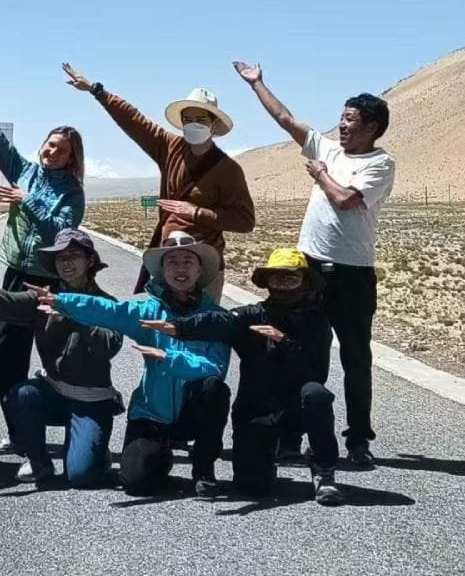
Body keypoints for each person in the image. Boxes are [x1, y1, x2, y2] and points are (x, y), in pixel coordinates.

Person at [234, 60, 395, 467]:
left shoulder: (380, 164)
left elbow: (345, 200)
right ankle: (293, 434)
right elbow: (286, 119)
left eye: (351, 121)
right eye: (340, 119)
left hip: (352, 273)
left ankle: (358, 439)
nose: (341, 126)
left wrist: (321, 174)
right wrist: (257, 84)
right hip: (308, 270)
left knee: (356, 358)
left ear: (372, 127)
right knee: (302, 353)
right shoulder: (325, 146)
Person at [0, 60, 86, 455]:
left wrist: (30, 201)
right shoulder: (22, 169)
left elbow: (60, 233)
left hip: (51, 285)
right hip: (15, 277)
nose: (51, 150)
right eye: (50, 143)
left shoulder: (73, 192)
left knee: (58, 361)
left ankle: (79, 427)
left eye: (61, 149)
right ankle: (20, 431)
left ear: (71, 158)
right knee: (6, 360)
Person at [30, 232, 231, 497]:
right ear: (162, 269)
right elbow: (111, 312)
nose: (180, 269)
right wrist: (64, 302)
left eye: (187, 261)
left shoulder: (217, 318)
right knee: (135, 482)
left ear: (199, 269)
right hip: (152, 412)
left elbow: (214, 367)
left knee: (214, 388)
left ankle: (203, 470)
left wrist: (168, 359)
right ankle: (159, 454)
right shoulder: (148, 311)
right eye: (172, 261)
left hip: (192, 412)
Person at [141, 248, 342, 505]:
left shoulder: (317, 321)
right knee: (252, 486)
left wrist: (283, 341)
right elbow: (220, 321)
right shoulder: (253, 315)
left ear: (305, 281)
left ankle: (323, 468)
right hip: (258, 409)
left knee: (317, 395)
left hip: (297, 408)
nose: (283, 284)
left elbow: (316, 373)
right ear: (267, 282)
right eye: (276, 278)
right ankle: (267, 456)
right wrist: (180, 327)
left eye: (291, 278)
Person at [0, 229, 123, 487]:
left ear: (90, 261)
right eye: (60, 258)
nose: (66, 262)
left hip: (91, 400)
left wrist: (75, 312)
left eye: (74, 255)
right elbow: (8, 300)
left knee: (81, 476)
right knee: (22, 394)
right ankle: (39, 461)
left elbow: (110, 345)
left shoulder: (107, 304)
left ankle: (94, 451)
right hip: (55, 392)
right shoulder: (44, 300)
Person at [62, 63, 255, 297]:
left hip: (204, 265)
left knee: (201, 327)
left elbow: (245, 221)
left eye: (201, 119)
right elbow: (134, 121)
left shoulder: (228, 169)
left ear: (213, 123)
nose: (194, 124)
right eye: (188, 119)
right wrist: (97, 91)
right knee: (158, 325)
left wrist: (196, 213)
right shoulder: (169, 146)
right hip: (167, 259)